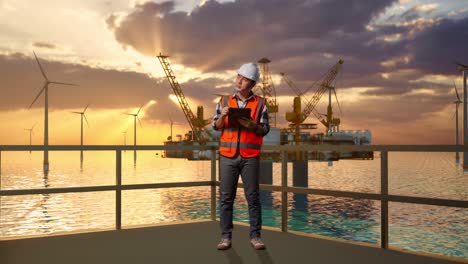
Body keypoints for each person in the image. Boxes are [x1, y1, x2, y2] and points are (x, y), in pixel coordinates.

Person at [212, 62, 270, 250]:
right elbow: (216, 126)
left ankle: (256, 237)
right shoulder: (223, 101)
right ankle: (225, 237)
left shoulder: (261, 103)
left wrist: (252, 125)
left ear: (252, 84)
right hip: (228, 156)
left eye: (244, 79)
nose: (239, 81)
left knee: (253, 197)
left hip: (250, 156)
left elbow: (265, 129)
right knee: (226, 198)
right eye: (238, 76)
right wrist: (223, 115)